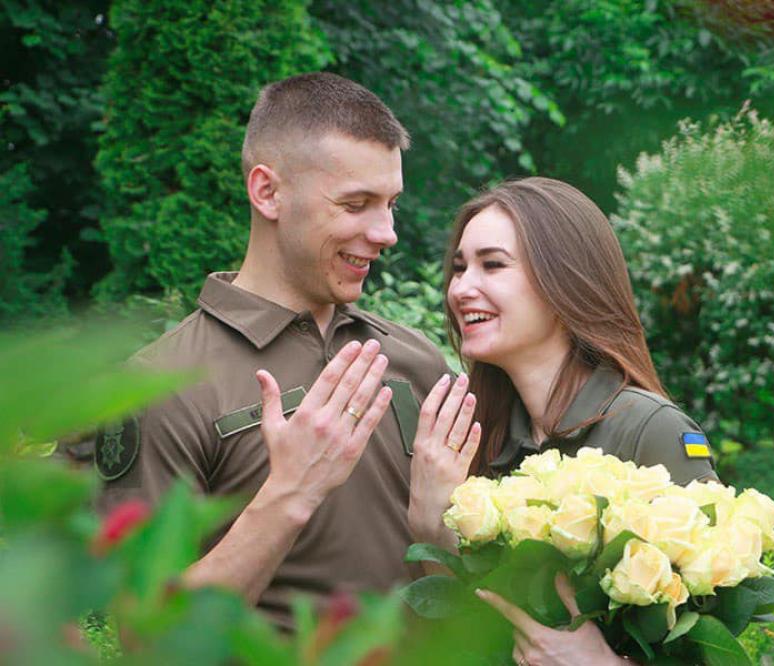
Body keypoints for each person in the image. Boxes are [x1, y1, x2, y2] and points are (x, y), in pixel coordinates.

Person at [95, 72, 478, 629]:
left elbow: (465, 584)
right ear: (268, 192)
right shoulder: (157, 386)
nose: (387, 232)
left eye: (391, 204)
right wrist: (291, 494)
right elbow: (144, 633)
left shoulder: (415, 361)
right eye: (356, 204)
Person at [409, 177, 719, 665]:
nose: (461, 289)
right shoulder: (479, 441)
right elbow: (463, 640)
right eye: (459, 268)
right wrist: (431, 525)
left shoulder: (651, 430)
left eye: (493, 264)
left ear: (564, 280)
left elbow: (713, 645)